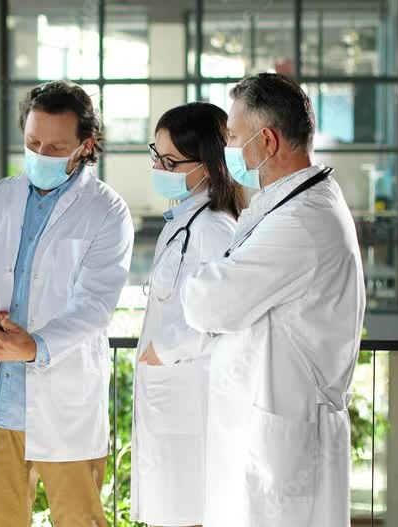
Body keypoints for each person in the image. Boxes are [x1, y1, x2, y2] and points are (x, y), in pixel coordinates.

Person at [0, 80, 134, 527]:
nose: (41, 153)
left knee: (79, 520)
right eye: (33, 142)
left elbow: (95, 305)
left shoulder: (107, 211)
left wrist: (33, 346)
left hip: (64, 400)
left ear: (85, 146)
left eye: (55, 146)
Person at [180, 73, 366, 526]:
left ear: (266, 140)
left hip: (282, 443)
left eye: (233, 138)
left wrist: (203, 281)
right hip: (267, 428)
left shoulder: (301, 222)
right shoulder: (291, 204)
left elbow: (206, 303)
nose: (228, 150)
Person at [130, 102, 245, 527]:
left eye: (171, 161)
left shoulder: (214, 228)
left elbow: (220, 313)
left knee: (187, 513)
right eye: (155, 155)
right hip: (170, 396)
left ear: (208, 165)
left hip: (189, 399)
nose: (159, 167)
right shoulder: (182, 221)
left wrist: (163, 349)